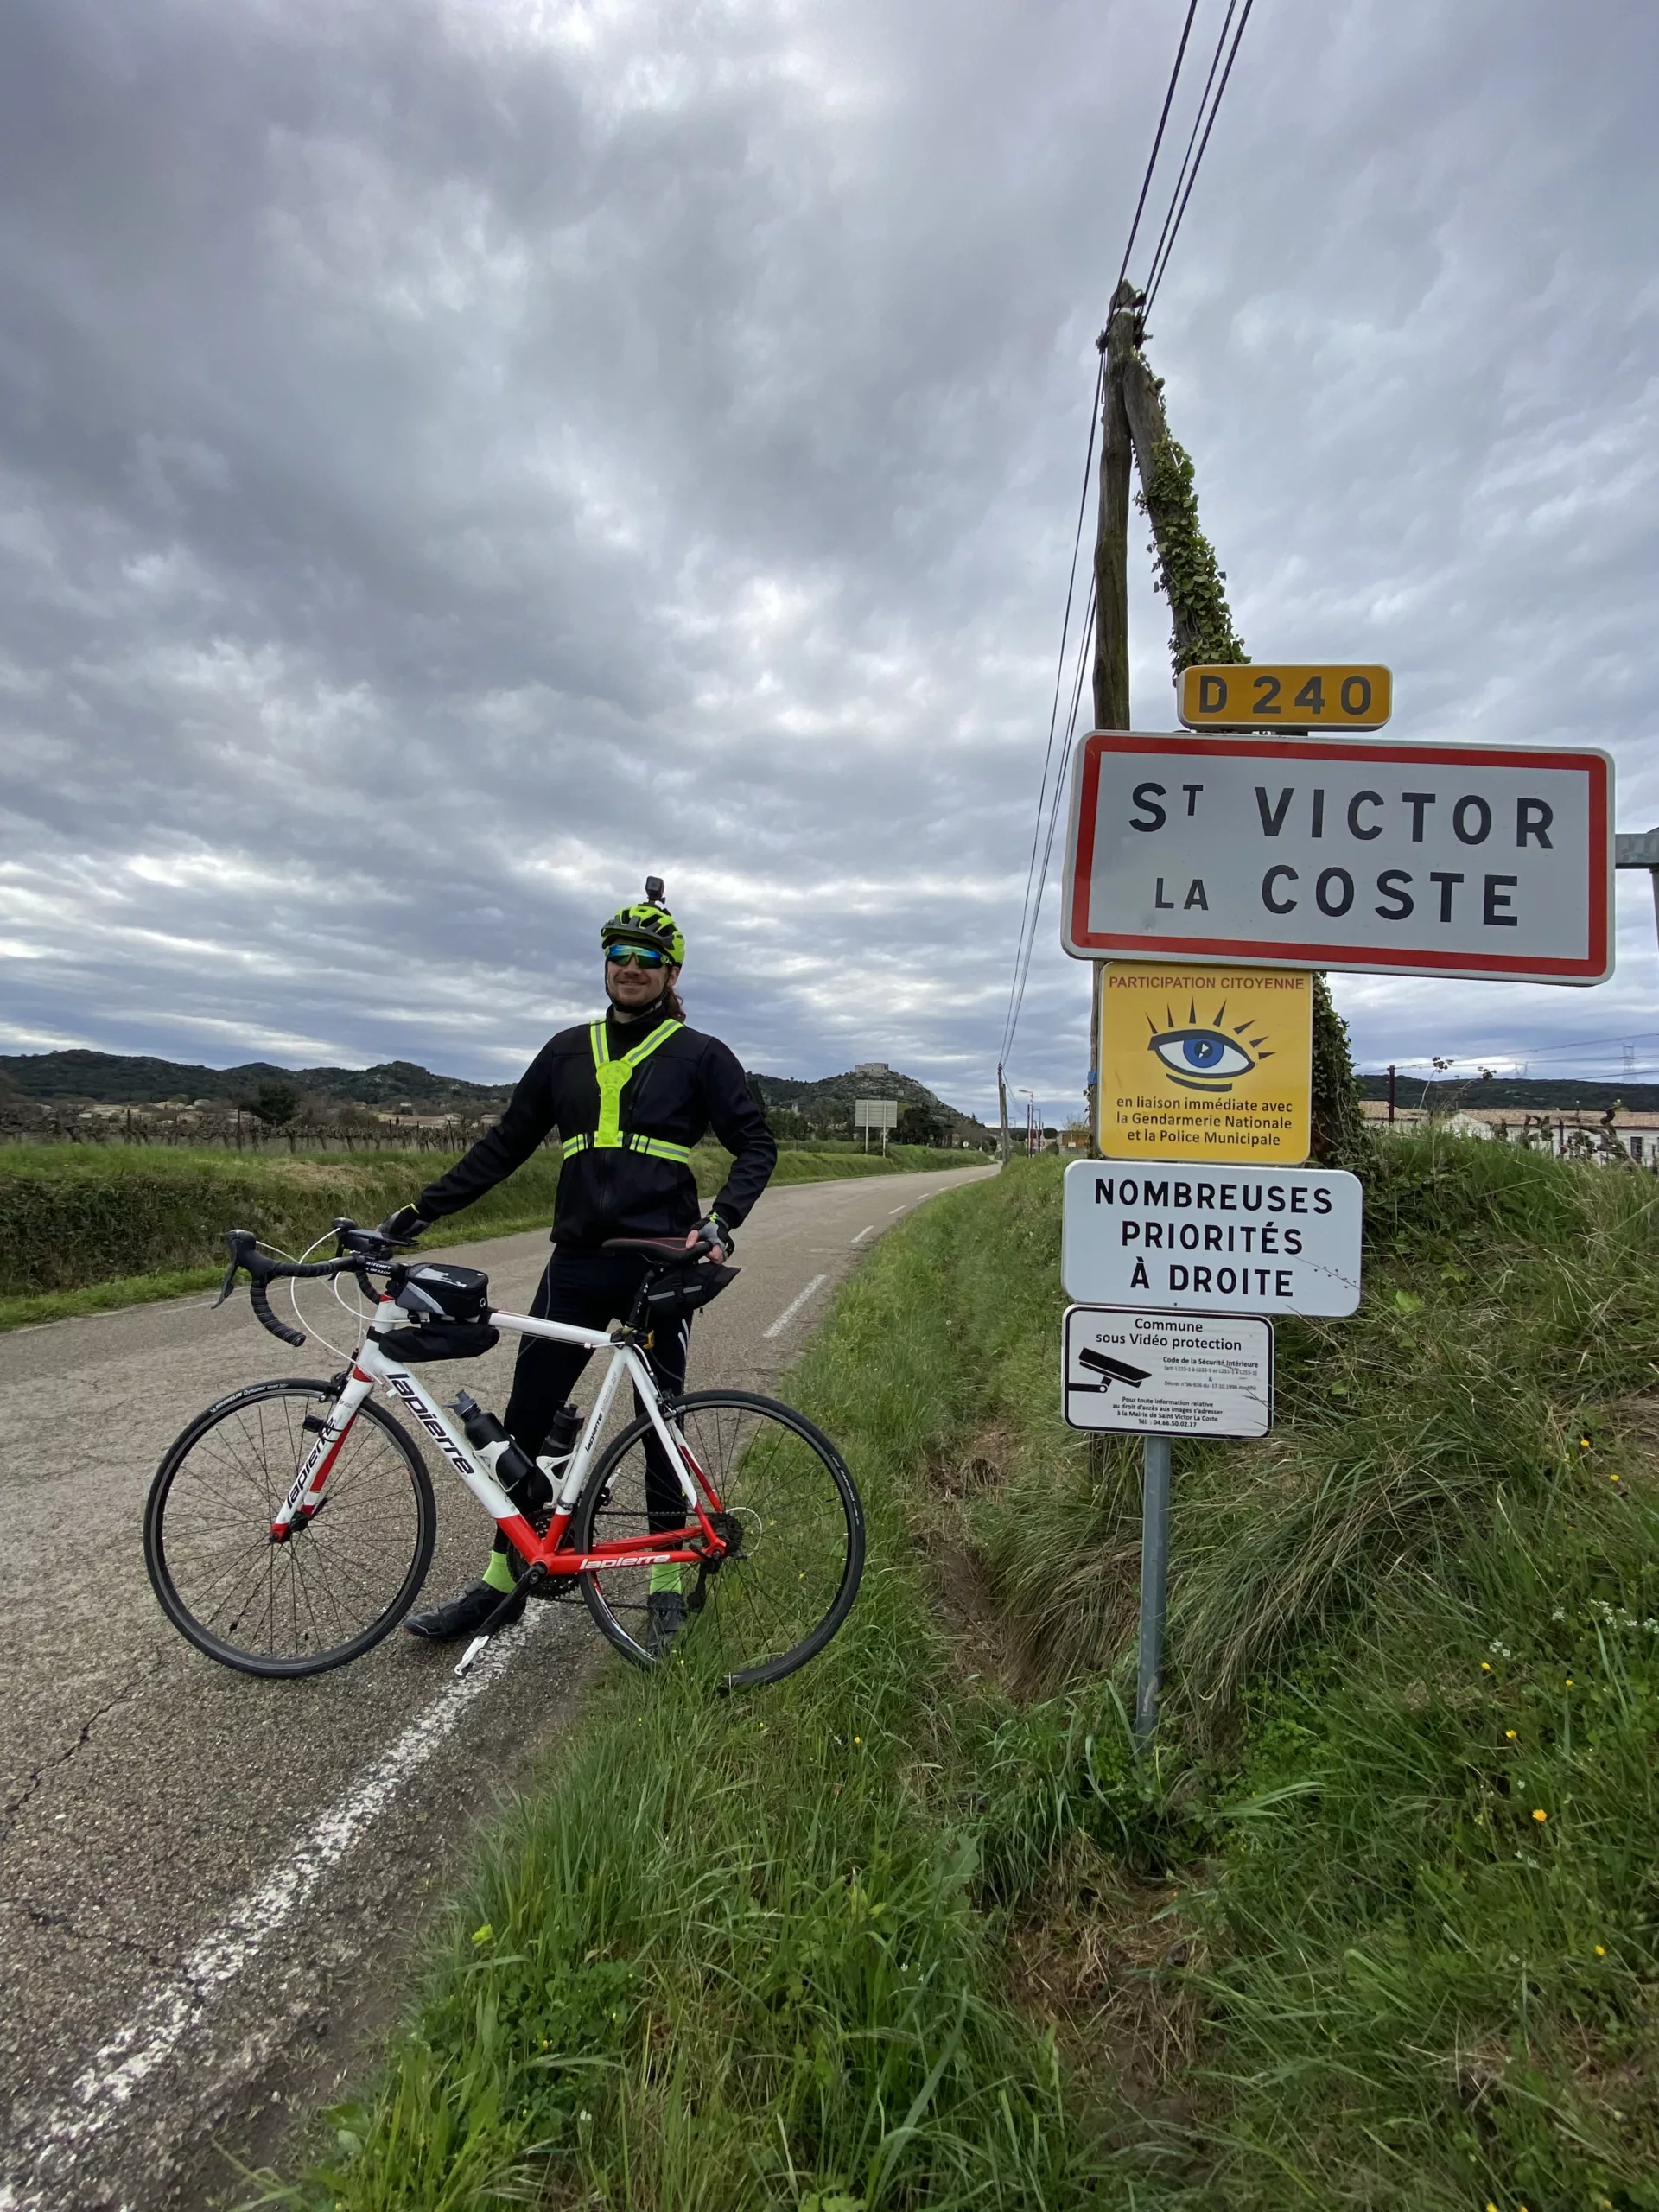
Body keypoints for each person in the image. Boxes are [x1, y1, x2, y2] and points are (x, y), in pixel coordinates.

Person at [378, 880, 777, 1649]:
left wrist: (722, 1223)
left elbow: (756, 1144)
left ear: (671, 974)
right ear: (606, 966)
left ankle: (664, 1584)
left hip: (659, 1268)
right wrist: (420, 1212)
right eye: (620, 956)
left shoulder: (701, 1056)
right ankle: (504, 1582)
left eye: (648, 959)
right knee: (523, 1423)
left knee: (658, 1424)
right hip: (575, 1264)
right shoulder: (566, 1051)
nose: (631, 968)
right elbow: (503, 1147)